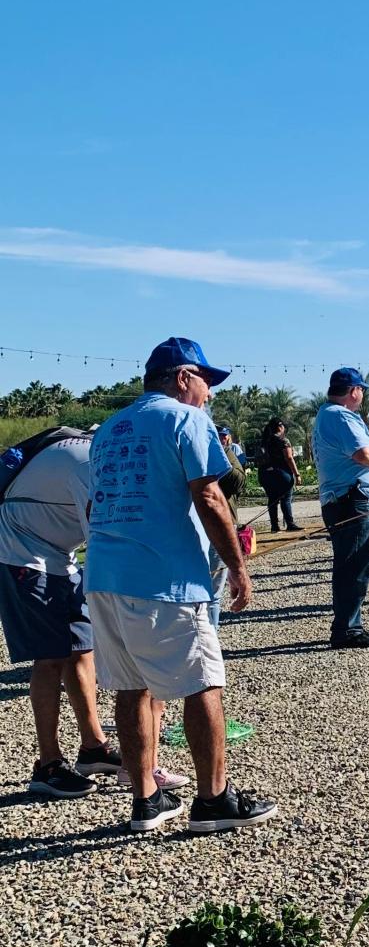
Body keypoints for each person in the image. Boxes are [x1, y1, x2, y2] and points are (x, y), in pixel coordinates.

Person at [85, 337, 276, 833]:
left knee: (130, 688)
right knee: (201, 683)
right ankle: (213, 801)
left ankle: (145, 799)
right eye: (206, 382)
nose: (209, 393)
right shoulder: (185, 419)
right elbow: (210, 495)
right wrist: (237, 566)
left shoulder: (108, 429)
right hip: (164, 577)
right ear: (183, 377)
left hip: (105, 574)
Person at [0, 428, 123, 797]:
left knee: (81, 649)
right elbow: (105, 540)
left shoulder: (92, 451)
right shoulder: (89, 464)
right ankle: (47, 764)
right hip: (20, 553)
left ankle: (93, 748)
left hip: (58, 554)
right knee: (49, 656)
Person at [313, 367, 369, 649]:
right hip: (353, 500)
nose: (362, 395)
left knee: (354, 563)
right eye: (361, 389)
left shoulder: (329, 415)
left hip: (348, 499)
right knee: (355, 564)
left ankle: (350, 625)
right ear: (354, 391)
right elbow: (364, 455)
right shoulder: (339, 415)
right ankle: (347, 629)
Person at [209, 427, 248, 630]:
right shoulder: (218, 452)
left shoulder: (227, 451)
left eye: (224, 435)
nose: (222, 438)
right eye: (218, 435)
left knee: (212, 592)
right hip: (210, 526)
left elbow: (238, 481)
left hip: (223, 522)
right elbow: (236, 480)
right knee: (209, 592)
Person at [258, 418, 302, 533]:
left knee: (272, 499)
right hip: (281, 474)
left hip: (265, 474)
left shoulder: (265, 441)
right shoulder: (283, 441)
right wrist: (297, 474)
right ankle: (290, 523)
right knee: (286, 498)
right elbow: (288, 458)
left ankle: (274, 526)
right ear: (281, 427)